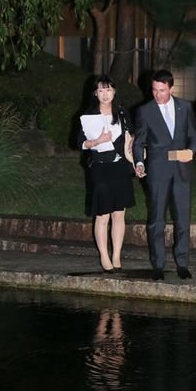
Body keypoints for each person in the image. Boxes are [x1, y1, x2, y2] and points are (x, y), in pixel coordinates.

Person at [133, 69, 196, 281]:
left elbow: (194, 136)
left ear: (171, 88)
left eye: (162, 90)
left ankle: (182, 263)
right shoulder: (144, 111)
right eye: (154, 90)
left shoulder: (185, 107)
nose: (157, 94)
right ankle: (159, 265)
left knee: (182, 219)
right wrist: (140, 162)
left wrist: (191, 150)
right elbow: (138, 142)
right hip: (158, 171)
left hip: (181, 170)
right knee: (157, 221)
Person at [79, 75, 135, 273]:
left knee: (119, 214)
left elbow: (132, 139)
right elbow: (79, 143)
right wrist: (97, 141)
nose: (105, 94)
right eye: (101, 90)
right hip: (100, 168)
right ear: (95, 93)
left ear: (114, 91)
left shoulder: (122, 112)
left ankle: (117, 255)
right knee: (102, 215)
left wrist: (137, 159)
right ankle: (104, 256)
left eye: (108, 89)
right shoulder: (89, 115)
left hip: (120, 167)